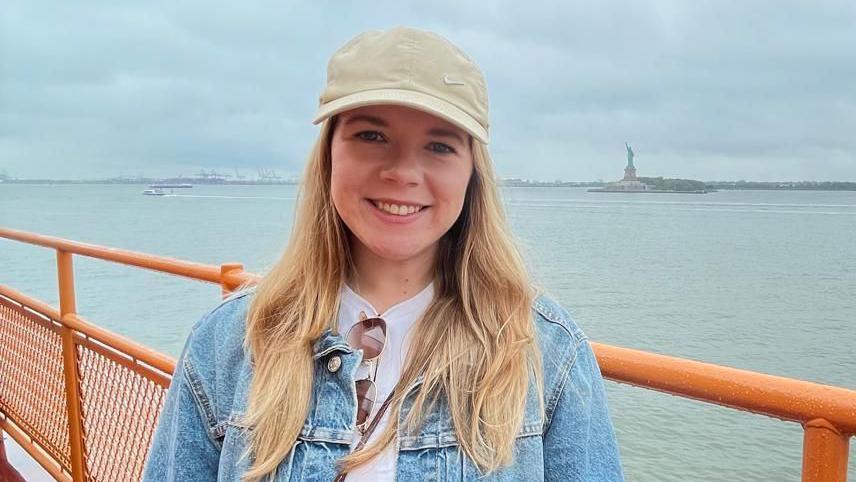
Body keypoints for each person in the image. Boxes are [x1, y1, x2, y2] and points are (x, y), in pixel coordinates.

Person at [142, 26, 623, 481]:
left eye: (439, 145)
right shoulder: (229, 343)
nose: (403, 172)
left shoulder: (545, 354)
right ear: (330, 153)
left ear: (472, 173)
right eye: (371, 136)